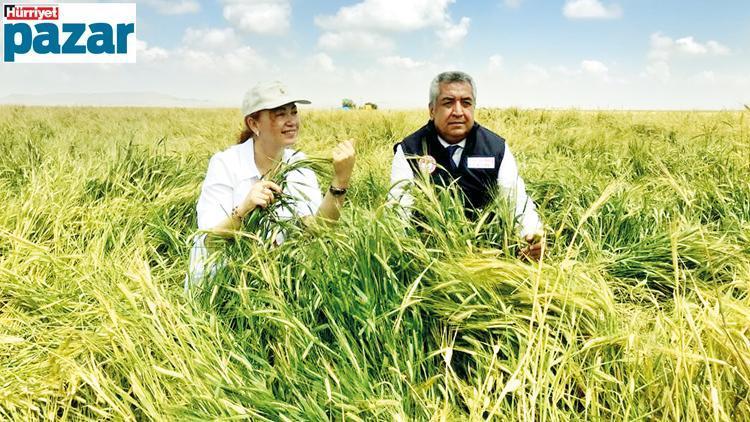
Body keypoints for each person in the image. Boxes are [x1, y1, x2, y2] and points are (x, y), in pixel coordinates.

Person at [186, 81, 356, 290]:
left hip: (274, 284)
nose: (291, 121)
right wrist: (244, 210)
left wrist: (340, 181)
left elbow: (318, 228)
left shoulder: (299, 165)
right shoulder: (225, 164)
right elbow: (210, 240)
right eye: (280, 114)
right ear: (254, 124)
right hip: (220, 286)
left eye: (293, 112)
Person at [389, 71, 544, 261]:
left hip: (487, 257)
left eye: (466, 103)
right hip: (428, 256)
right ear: (431, 110)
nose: (458, 111)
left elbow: (517, 201)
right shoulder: (409, 151)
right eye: (448, 102)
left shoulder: (496, 149)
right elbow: (399, 212)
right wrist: (406, 260)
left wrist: (531, 234)